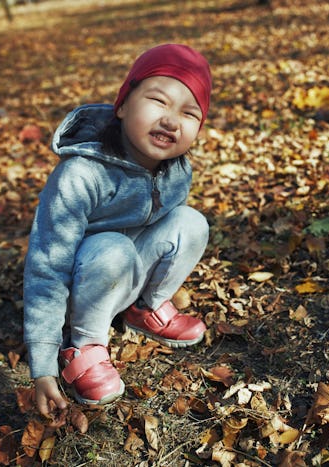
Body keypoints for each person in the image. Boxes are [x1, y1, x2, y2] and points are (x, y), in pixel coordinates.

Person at [23, 44, 212, 417]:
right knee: (112, 247)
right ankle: (84, 345)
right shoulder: (80, 176)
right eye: (158, 101)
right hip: (88, 275)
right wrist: (41, 368)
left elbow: (160, 234)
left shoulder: (177, 171)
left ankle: (145, 307)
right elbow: (47, 265)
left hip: (124, 272)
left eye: (189, 113)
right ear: (122, 105)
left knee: (192, 222)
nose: (172, 121)